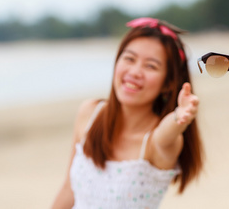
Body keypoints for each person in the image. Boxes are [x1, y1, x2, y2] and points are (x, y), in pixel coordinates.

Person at [51, 17, 204, 209]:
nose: (135, 71)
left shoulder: (157, 142)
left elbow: (167, 133)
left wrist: (179, 116)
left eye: (151, 66)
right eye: (129, 59)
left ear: (168, 83)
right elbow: (68, 189)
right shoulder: (90, 112)